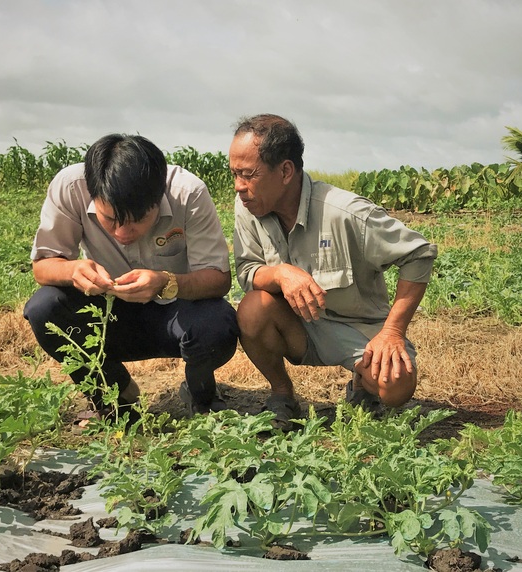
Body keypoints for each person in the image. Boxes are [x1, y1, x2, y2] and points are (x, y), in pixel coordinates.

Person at [230, 114, 437, 430]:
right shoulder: (248, 206)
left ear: (285, 171)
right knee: (252, 309)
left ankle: (363, 387)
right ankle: (282, 396)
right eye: (234, 174)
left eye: (247, 174)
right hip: (299, 325)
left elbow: (419, 254)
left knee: (396, 385)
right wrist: (281, 274)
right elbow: (248, 271)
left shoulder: (346, 213)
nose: (239, 187)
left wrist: (392, 332)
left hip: (359, 329)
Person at [24, 133, 239, 421]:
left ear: (158, 197)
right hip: (106, 314)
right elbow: (42, 266)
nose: (122, 233)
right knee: (44, 309)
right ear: (92, 194)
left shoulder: (188, 193)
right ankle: (117, 395)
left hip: (174, 312)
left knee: (216, 325)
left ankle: (200, 395)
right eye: (110, 219)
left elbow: (218, 279)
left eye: (138, 220)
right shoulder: (71, 187)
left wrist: (165, 282)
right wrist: (72, 270)